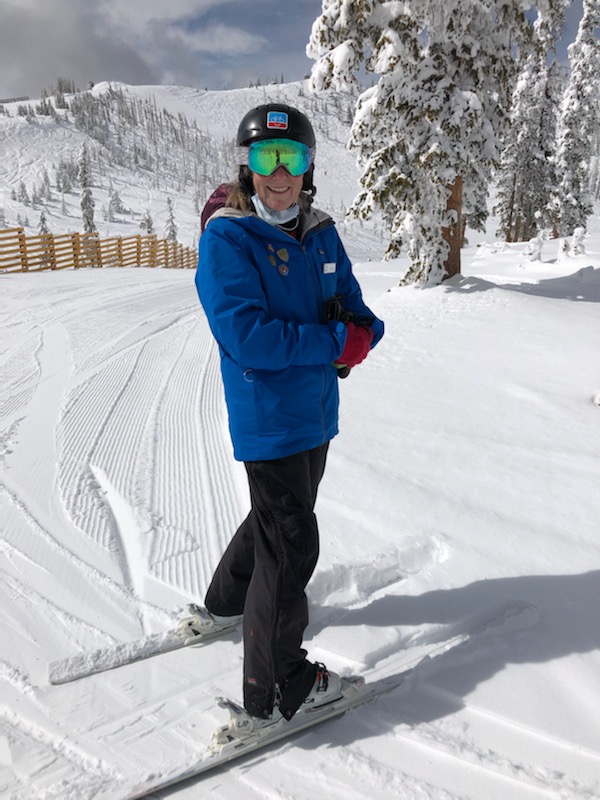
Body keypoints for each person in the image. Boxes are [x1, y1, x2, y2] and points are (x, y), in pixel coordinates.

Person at [194, 102, 384, 731]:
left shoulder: (321, 231)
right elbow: (250, 338)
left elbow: (355, 308)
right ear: (246, 168)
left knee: (275, 520)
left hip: (315, 416)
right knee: (292, 540)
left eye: (293, 159)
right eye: (266, 159)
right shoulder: (227, 239)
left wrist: (363, 333)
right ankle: (278, 690)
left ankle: (226, 602)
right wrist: (335, 345)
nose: (280, 174)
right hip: (268, 418)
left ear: (308, 167)